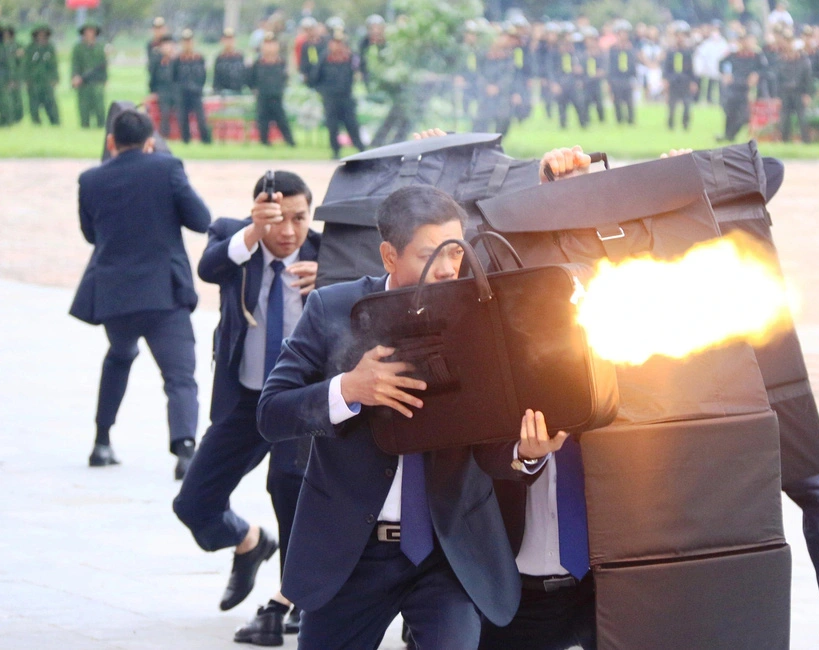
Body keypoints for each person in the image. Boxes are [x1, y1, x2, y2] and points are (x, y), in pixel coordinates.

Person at [257, 184, 568, 649]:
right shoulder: (332, 309)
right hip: (350, 552)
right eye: (430, 255)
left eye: (454, 253)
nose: (447, 269)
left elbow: (490, 443)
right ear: (388, 255)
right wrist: (348, 389)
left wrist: (526, 453)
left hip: (448, 553)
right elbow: (271, 413)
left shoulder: (480, 317)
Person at [173, 171, 320, 646]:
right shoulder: (233, 235)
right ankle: (249, 541)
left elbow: (376, 288)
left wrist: (333, 279)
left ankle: (297, 596)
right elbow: (210, 267)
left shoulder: (328, 252)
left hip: (300, 402)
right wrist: (253, 232)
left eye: (299, 218)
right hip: (246, 397)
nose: (289, 232)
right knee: (193, 501)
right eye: (277, 220)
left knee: (289, 487)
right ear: (258, 212)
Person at [479, 147, 597, 650]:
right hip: (518, 595)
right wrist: (525, 456)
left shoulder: (619, 355)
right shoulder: (498, 368)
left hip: (607, 585)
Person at [69, 109, 211, 478]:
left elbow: (91, 234)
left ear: (111, 142)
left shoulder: (91, 179)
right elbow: (200, 219)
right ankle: (184, 451)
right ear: (150, 141)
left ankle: (101, 442)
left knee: (119, 356)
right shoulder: (166, 167)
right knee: (179, 376)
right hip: (164, 294)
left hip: (114, 293)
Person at [310, 31, 364, 159]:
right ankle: (335, 150)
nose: (337, 46)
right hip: (330, 98)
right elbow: (314, 77)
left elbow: (361, 70)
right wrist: (322, 91)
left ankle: (361, 149)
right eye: (335, 43)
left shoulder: (350, 58)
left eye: (340, 43)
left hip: (346, 96)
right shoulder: (325, 58)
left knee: (351, 123)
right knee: (332, 125)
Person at [249, 32, 296, 147]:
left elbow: (285, 78)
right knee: (262, 121)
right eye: (267, 44)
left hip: (276, 96)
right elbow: (251, 79)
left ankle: (290, 143)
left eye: (272, 44)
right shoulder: (258, 63)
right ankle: (264, 143)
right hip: (262, 96)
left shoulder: (281, 62)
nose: (270, 47)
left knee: (282, 120)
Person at [718, 32, 764, 142]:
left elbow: (764, 70)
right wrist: (726, 73)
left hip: (747, 89)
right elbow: (722, 64)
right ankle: (727, 135)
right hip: (733, 87)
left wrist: (756, 75)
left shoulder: (756, 56)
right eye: (742, 40)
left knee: (745, 116)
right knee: (730, 113)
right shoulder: (733, 55)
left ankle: (730, 135)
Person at [173, 30, 211, 144]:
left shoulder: (199, 58)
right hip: (182, 93)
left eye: (189, 41)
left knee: (201, 119)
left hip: (196, 93)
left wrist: (199, 87)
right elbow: (173, 76)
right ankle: (186, 141)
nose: (187, 44)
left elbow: (203, 75)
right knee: (183, 119)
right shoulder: (177, 59)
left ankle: (206, 141)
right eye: (185, 41)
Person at [474, 33, 517, 135]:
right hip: (485, 93)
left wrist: (498, 87)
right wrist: (486, 86)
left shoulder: (509, 56)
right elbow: (478, 73)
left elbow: (509, 75)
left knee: (503, 118)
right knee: (482, 119)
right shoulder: (483, 55)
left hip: (502, 94)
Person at [774, 32, 813, 143]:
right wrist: (777, 96)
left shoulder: (803, 61)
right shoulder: (780, 61)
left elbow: (808, 79)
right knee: (784, 119)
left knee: (803, 118)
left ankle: (806, 141)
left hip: (799, 92)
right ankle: (785, 141)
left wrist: (807, 94)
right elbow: (777, 80)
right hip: (785, 93)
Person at [71, 22, 107, 129]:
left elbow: (104, 66)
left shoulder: (100, 48)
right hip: (84, 83)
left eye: (92, 31)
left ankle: (101, 127)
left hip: (97, 82)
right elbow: (75, 64)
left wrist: (105, 79)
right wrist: (75, 77)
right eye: (87, 31)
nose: (89, 33)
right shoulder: (78, 48)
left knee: (100, 108)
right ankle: (84, 127)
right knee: (84, 108)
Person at [663, 21, 697, 130]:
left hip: (685, 81)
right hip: (673, 81)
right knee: (672, 105)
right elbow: (666, 67)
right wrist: (666, 80)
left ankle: (685, 124)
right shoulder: (670, 51)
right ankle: (671, 124)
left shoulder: (688, 52)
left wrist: (693, 81)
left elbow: (692, 68)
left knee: (687, 104)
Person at [24, 23, 59, 126]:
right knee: (34, 103)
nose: (41, 36)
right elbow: (26, 65)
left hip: (47, 81)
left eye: (43, 34)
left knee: (50, 103)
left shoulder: (50, 48)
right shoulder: (30, 48)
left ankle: (55, 122)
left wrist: (55, 78)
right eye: (39, 34)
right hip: (34, 81)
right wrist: (26, 79)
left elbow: (54, 64)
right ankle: (36, 122)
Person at [607, 21, 637, 125]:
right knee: (617, 101)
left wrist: (635, 79)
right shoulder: (613, 49)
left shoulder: (631, 48)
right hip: (616, 79)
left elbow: (633, 65)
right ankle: (619, 120)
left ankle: (631, 120)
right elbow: (610, 66)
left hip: (627, 78)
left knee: (629, 101)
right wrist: (609, 82)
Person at [148, 35, 178, 138]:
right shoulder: (157, 60)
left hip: (176, 90)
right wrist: (152, 91)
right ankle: (164, 135)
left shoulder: (177, 60)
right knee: (164, 113)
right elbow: (153, 78)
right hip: (162, 90)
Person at [579, 28, 606, 126]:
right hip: (586, 82)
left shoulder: (600, 54)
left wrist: (600, 73)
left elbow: (604, 68)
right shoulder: (583, 55)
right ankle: (586, 121)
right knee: (585, 103)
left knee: (599, 103)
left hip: (596, 82)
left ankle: (602, 121)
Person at [1, 22, 24, 125]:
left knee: (10, 100)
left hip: (7, 76)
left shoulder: (15, 45)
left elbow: (14, 64)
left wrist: (12, 78)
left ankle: (9, 121)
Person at [213, 28, 248, 95]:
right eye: (226, 39)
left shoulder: (239, 56)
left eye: (231, 39)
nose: (229, 42)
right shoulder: (220, 58)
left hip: (238, 91)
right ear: (222, 40)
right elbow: (216, 78)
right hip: (223, 92)